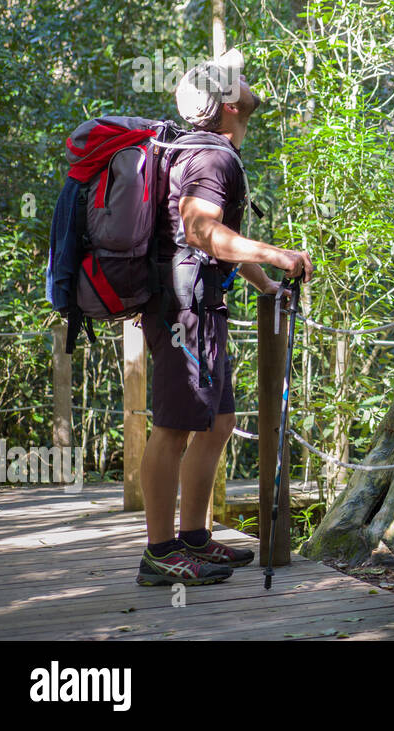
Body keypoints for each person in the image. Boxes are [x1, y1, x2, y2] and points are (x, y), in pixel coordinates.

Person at [136, 49, 314, 586]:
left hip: (201, 305)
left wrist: (268, 287)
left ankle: (193, 538)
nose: (251, 87)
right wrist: (277, 255)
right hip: (182, 311)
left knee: (217, 423)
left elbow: (218, 248)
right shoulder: (211, 159)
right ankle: (160, 554)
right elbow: (200, 234)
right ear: (229, 102)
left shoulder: (209, 151)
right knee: (171, 429)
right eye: (242, 83)